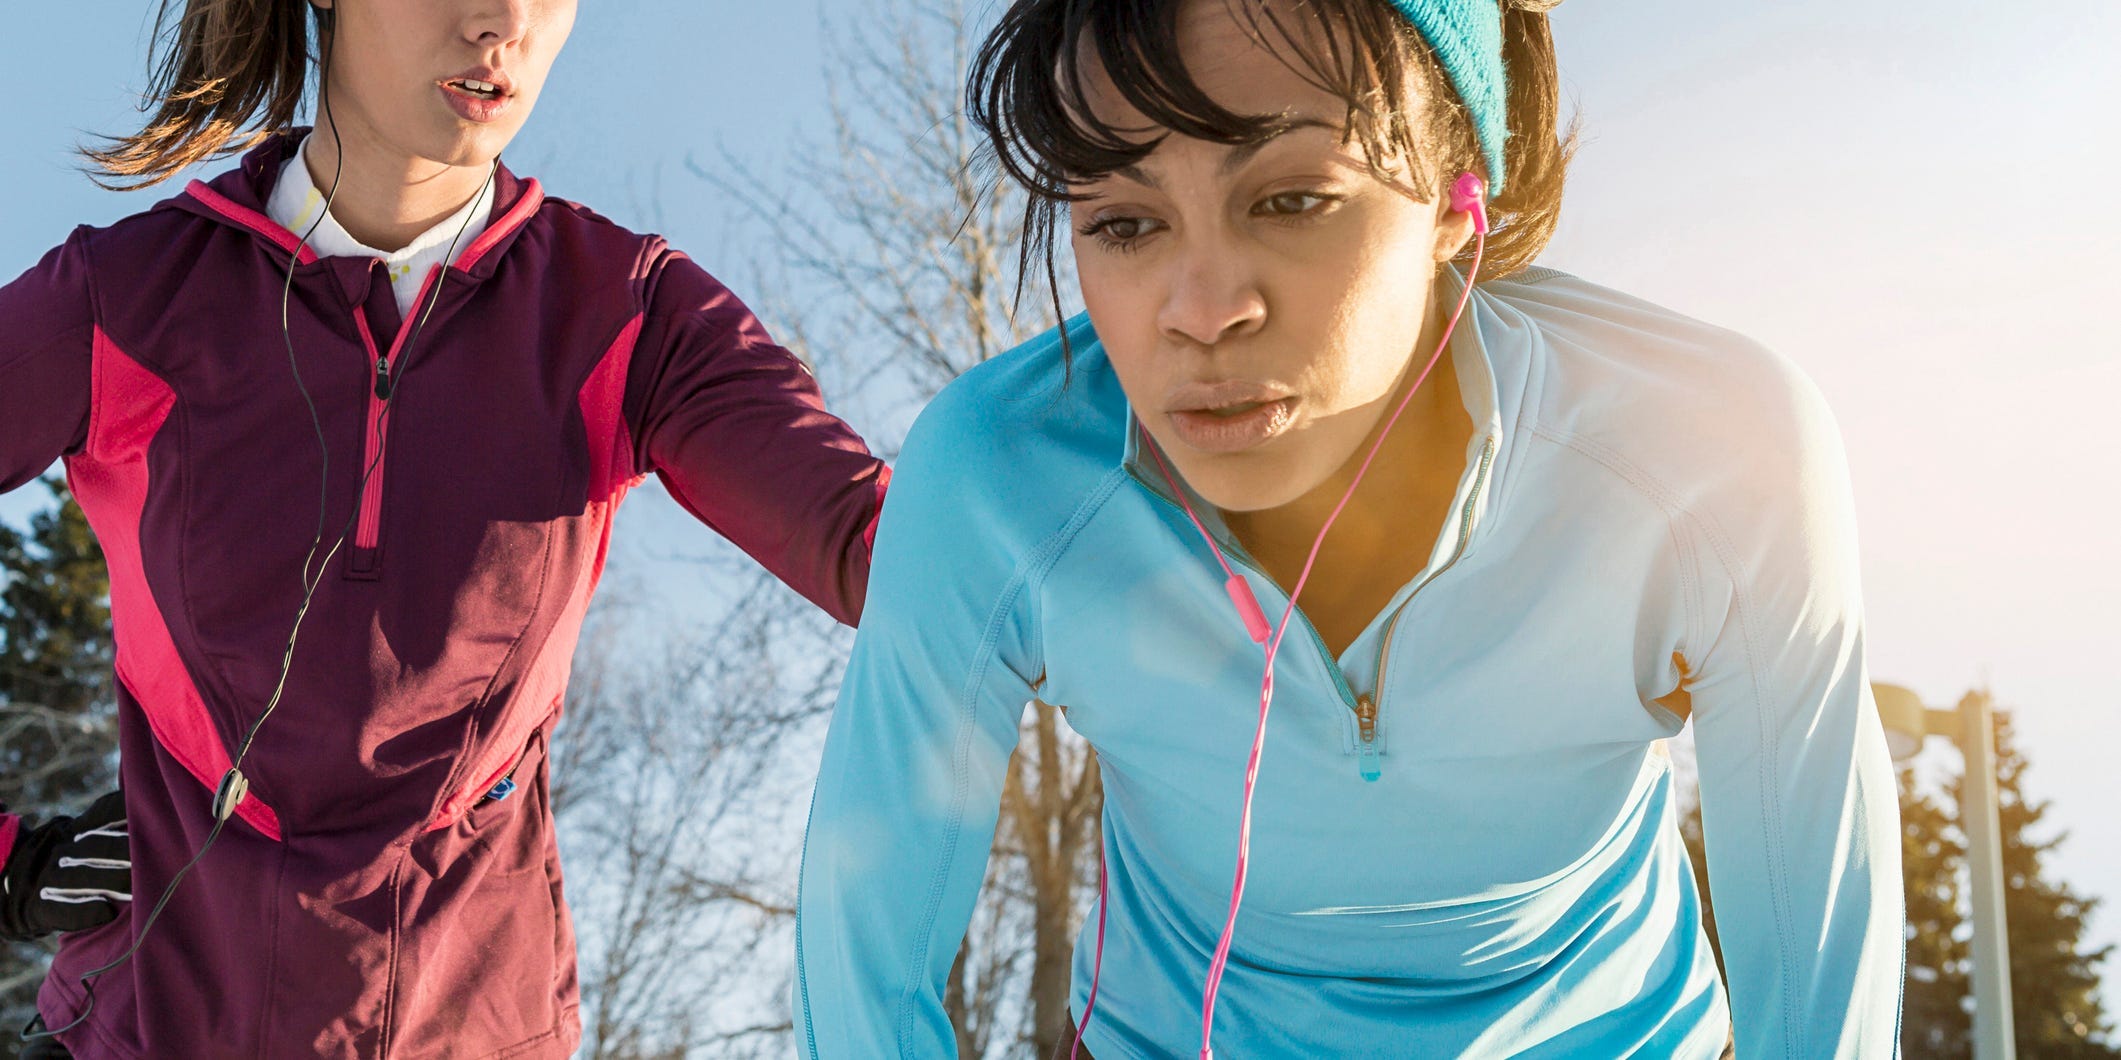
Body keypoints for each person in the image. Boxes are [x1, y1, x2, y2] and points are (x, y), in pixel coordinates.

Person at [793, 0, 1904, 1055]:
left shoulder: (1714, 456)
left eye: (1291, 199)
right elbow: (864, 955)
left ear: (1458, 193)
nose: (1201, 307)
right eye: (1124, 223)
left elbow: (1819, 970)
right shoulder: (995, 476)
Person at [0, 0, 889, 1056]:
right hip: (151, 1027)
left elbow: (885, 550)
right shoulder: (129, 299)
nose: (504, 21)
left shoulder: (626, 316)